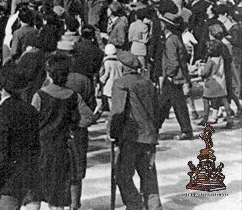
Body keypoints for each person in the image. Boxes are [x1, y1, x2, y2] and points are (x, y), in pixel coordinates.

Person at [31, 54, 96, 210]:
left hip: (42, 148)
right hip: (62, 150)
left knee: (35, 196)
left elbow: (30, 122)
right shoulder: (74, 96)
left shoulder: (40, 95)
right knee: (58, 199)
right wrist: (73, 125)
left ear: (49, 74)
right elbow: (88, 118)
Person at [0, 65, 40, 210]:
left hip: (8, 185)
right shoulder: (31, 110)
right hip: (31, 181)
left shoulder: (0, 115)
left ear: (0, 88)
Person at [109, 51, 162, 210]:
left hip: (131, 136)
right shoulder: (148, 83)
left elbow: (118, 112)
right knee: (148, 176)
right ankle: (154, 206)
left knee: (123, 176)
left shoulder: (121, 83)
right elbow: (157, 110)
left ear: (123, 67)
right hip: (149, 136)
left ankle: (134, 205)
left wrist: (113, 134)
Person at [157, 16, 194, 139]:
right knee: (165, 104)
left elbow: (173, 62)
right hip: (177, 77)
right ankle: (155, 127)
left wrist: (169, 74)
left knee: (174, 105)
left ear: (166, 26)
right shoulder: (175, 38)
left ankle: (186, 131)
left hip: (173, 78)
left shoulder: (169, 41)